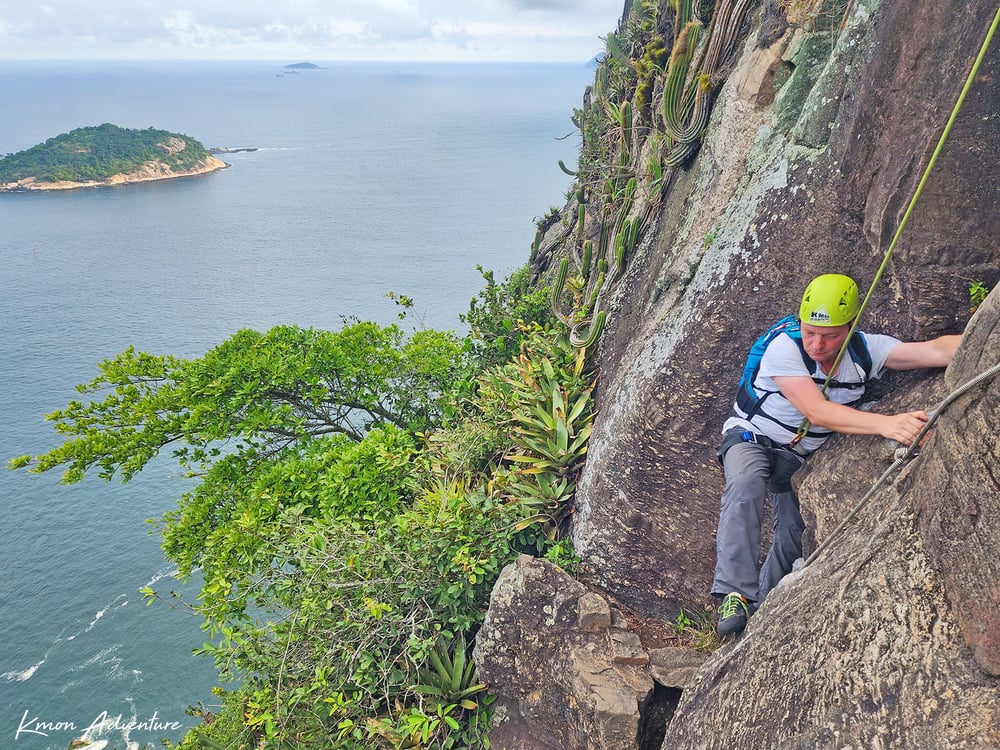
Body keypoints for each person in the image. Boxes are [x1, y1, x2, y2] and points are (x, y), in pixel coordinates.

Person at [712, 273, 961, 636]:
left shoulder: (864, 350)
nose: (816, 343)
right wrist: (885, 424)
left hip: (800, 457)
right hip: (753, 437)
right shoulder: (785, 347)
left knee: (795, 535)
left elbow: (935, 351)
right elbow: (817, 411)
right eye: (810, 331)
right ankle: (735, 593)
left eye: (829, 336)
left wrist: (988, 331)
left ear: (851, 327)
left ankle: (760, 611)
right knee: (745, 483)